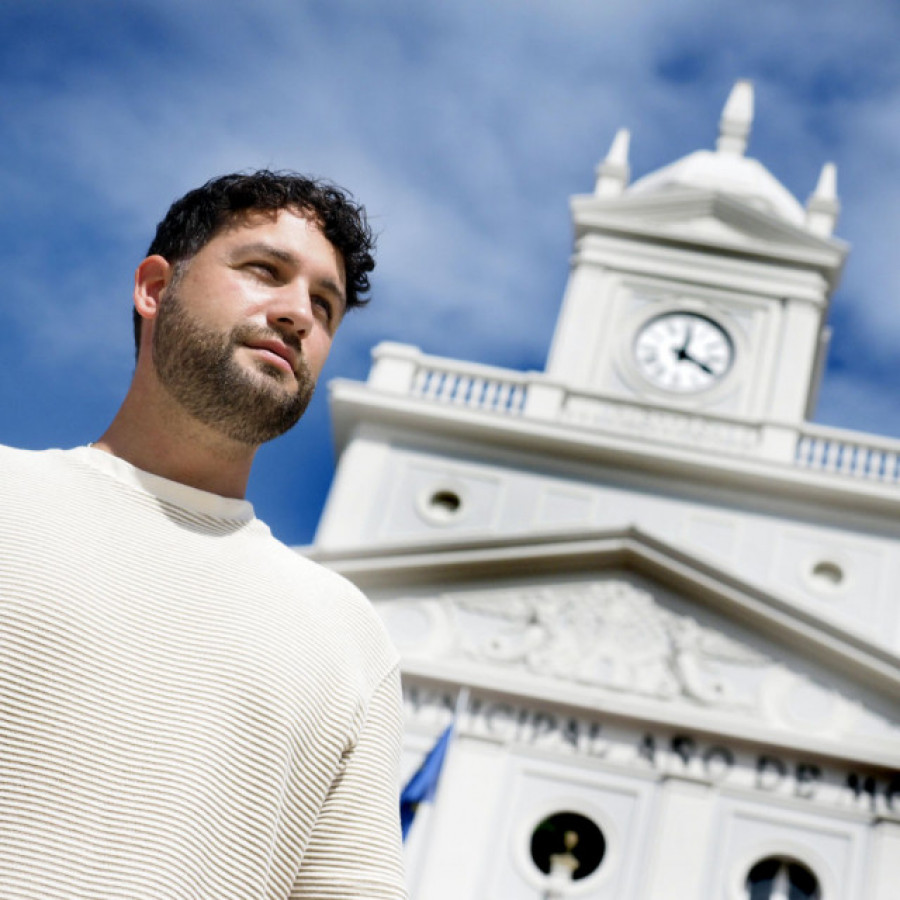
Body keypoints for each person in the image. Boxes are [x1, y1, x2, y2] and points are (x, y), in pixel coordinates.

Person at [0, 172, 407, 899]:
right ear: (154, 288)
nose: (298, 316)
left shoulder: (349, 637)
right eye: (265, 272)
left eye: (324, 304)